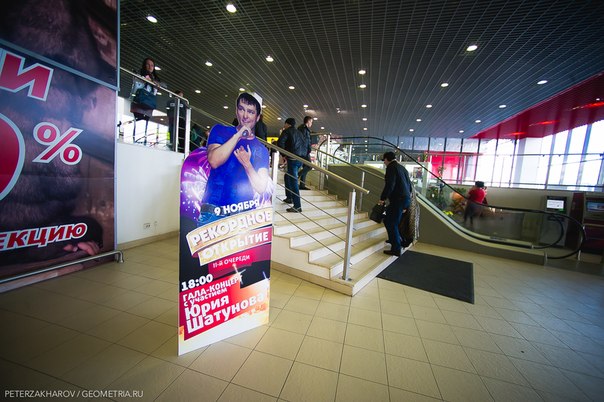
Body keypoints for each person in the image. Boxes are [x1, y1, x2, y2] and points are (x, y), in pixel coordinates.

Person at [201, 92, 271, 212]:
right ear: (236, 111)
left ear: (258, 117)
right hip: (213, 209)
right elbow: (214, 161)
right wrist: (237, 136)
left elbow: (261, 187)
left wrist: (247, 164)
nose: (245, 115)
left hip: (242, 213)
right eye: (241, 109)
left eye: (251, 112)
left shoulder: (261, 150)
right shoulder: (220, 130)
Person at [378, 152, 412, 256]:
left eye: (384, 160)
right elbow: (409, 185)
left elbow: (390, 184)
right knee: (389, 220)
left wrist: (383, 198)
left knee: (391, 222)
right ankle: (394, 240)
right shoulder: (402, 168)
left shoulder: (391, 168)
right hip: (405, 198)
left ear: (387, 159)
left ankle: (396, 248)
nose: (384, 163)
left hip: (398, 199)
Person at [277, 118, 309, 212]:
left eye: (285, 124)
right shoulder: (299, 133)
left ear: (287, 124)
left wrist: (284, 155)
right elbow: (306, 146)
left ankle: (297, 206)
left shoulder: (287, 131)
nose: (284, 126)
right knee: (287, 176)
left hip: (292, 159)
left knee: (293, 181)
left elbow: (280, 143)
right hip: (300, 159)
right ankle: (289, 197)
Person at [297, 116, 313, 190]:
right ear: (308, 121)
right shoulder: (303, 129)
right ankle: (298, 175)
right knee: (309, 166)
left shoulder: (303, 128)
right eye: (311, 122)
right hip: (304, 151)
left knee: (305, 167)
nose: (311, 124)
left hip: (304, 150)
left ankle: (302, 185)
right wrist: (308, 149)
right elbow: (304, 141)